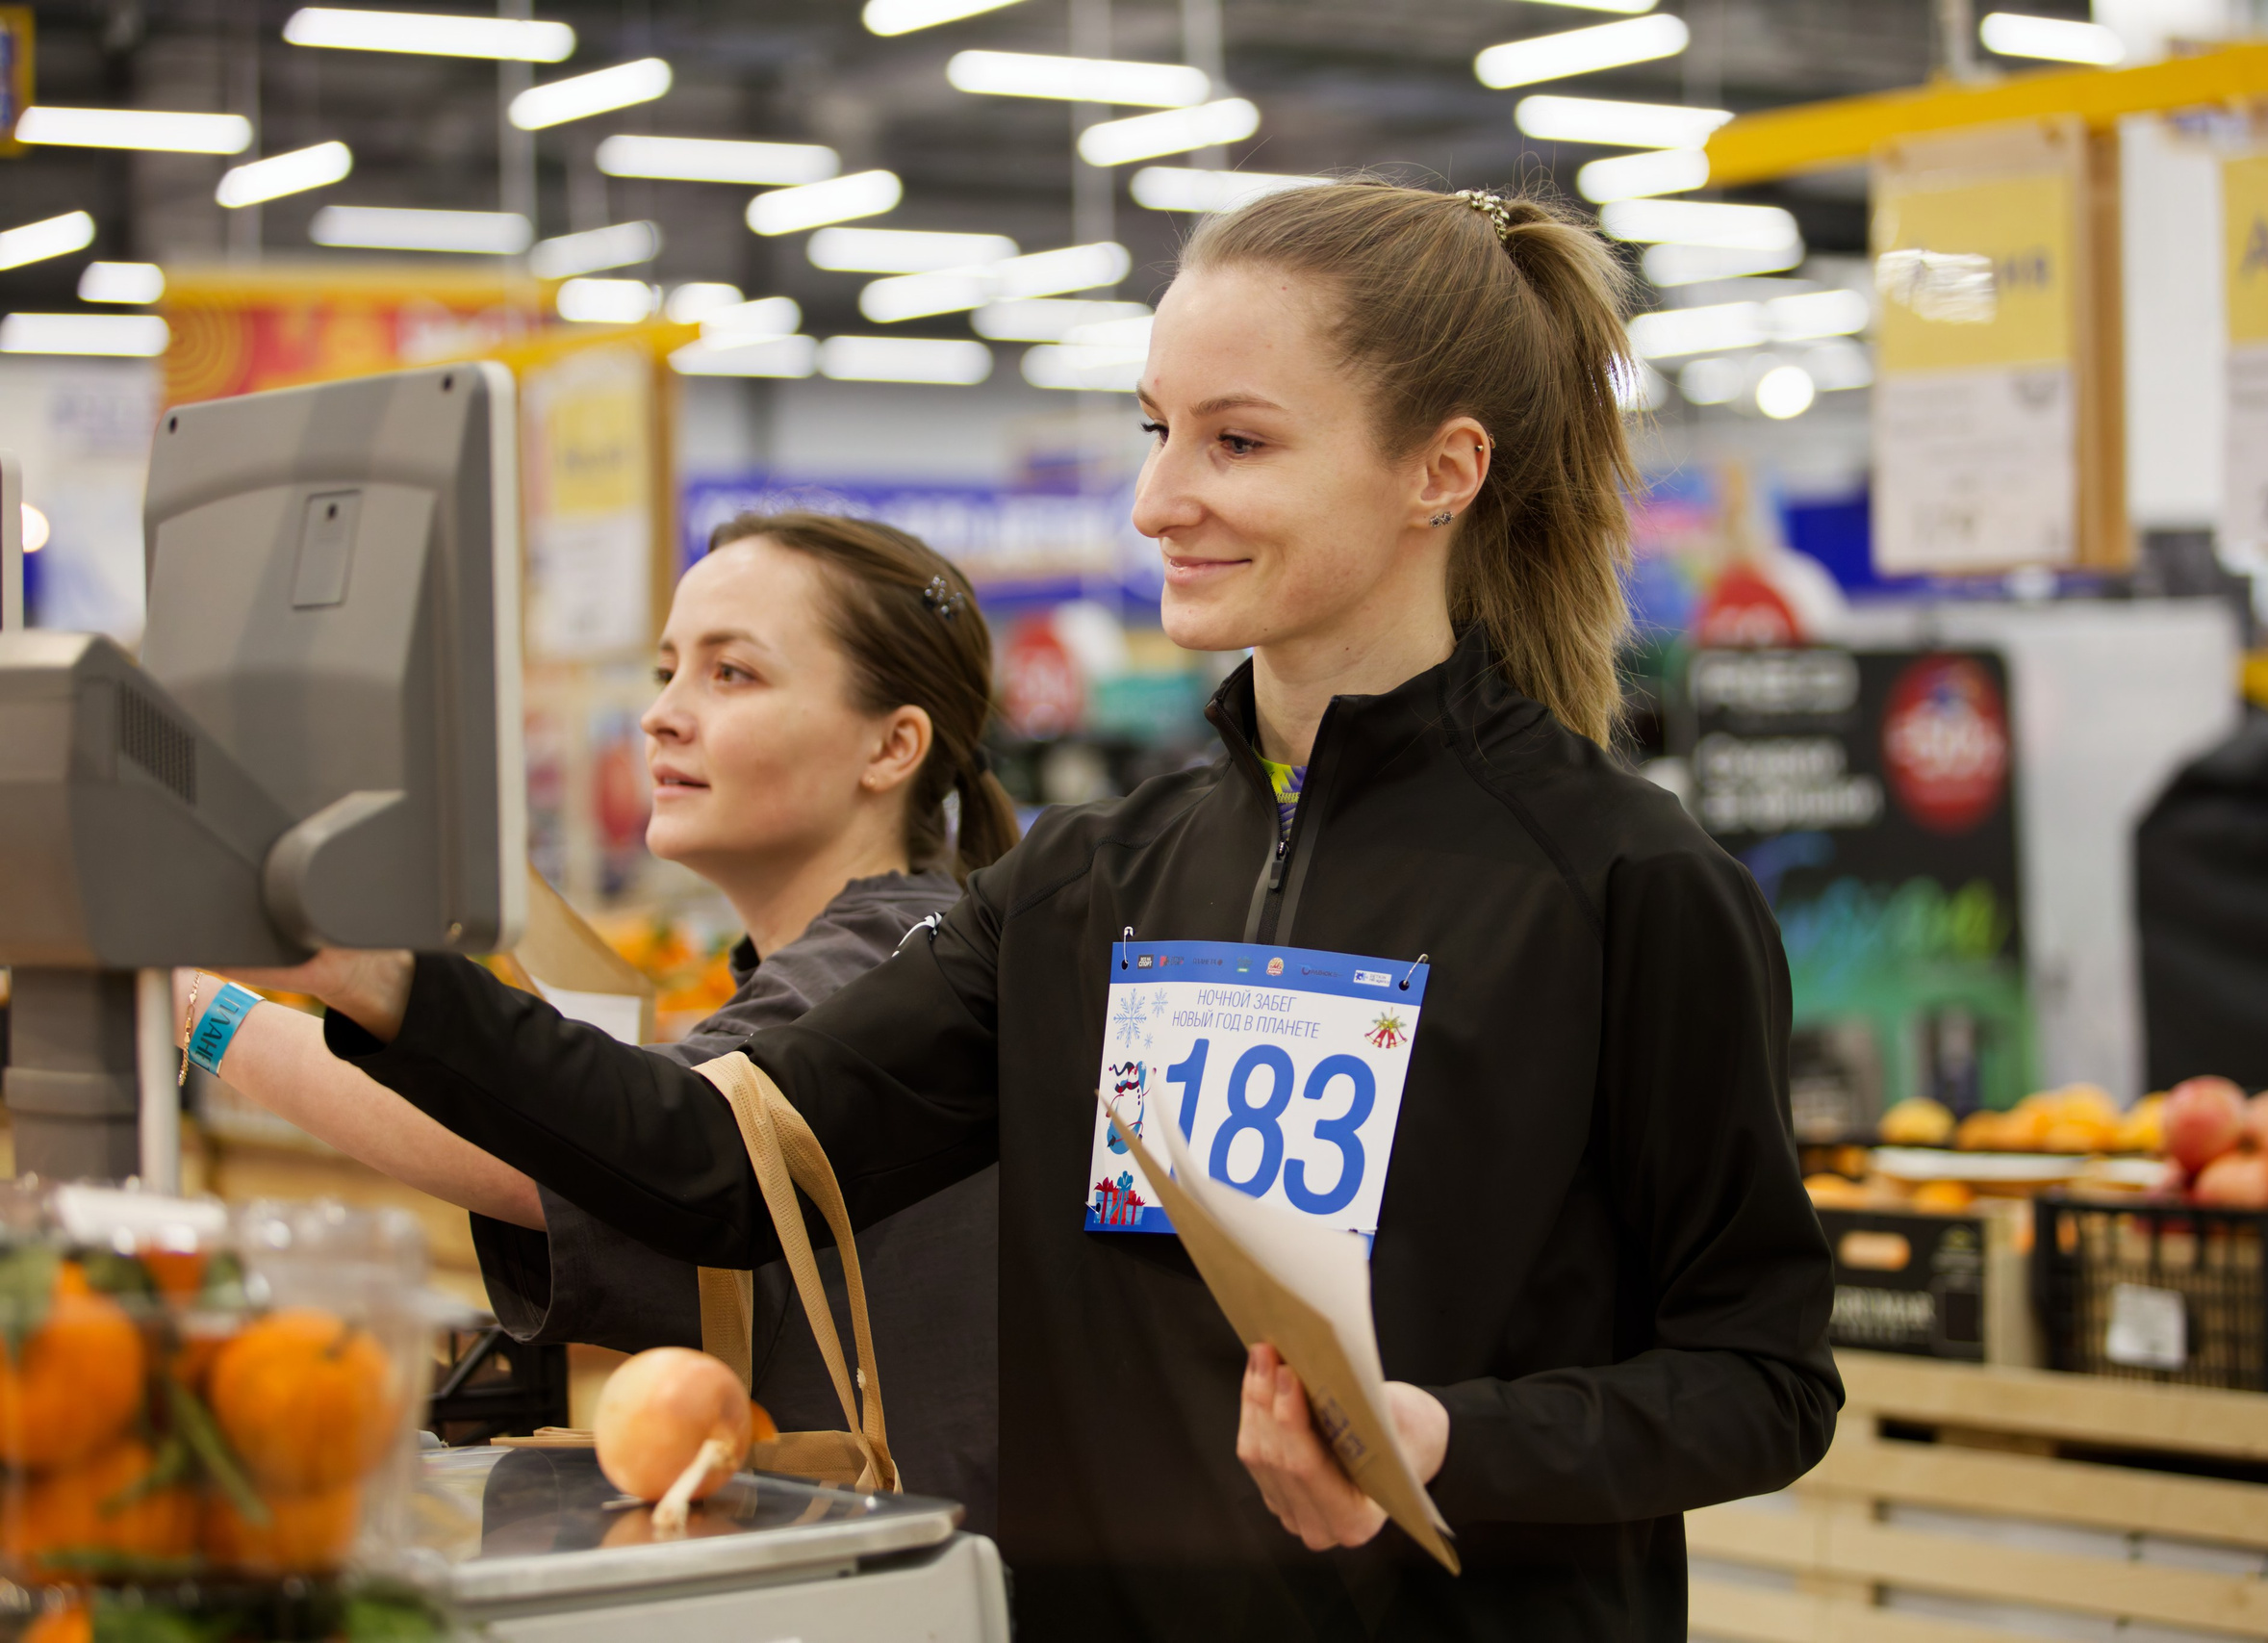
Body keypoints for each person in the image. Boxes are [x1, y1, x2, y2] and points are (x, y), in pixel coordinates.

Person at [256, 181, 1840, 1640]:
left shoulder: (1627, 888)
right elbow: (719, 1164)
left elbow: (1759, 1376)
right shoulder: (1090, 883)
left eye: (1238, 442)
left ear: (1444, 469)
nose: (1157, 499)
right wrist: (387, 976)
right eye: (1155, 428)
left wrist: (1443, 1437)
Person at [199, 512, 1013, 1529]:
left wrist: (198, 1001)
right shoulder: (826, 959)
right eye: (668, 670)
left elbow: (559, 1148)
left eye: (733, 675)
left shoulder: (883, 955)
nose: (661, 716)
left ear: (892, 746)